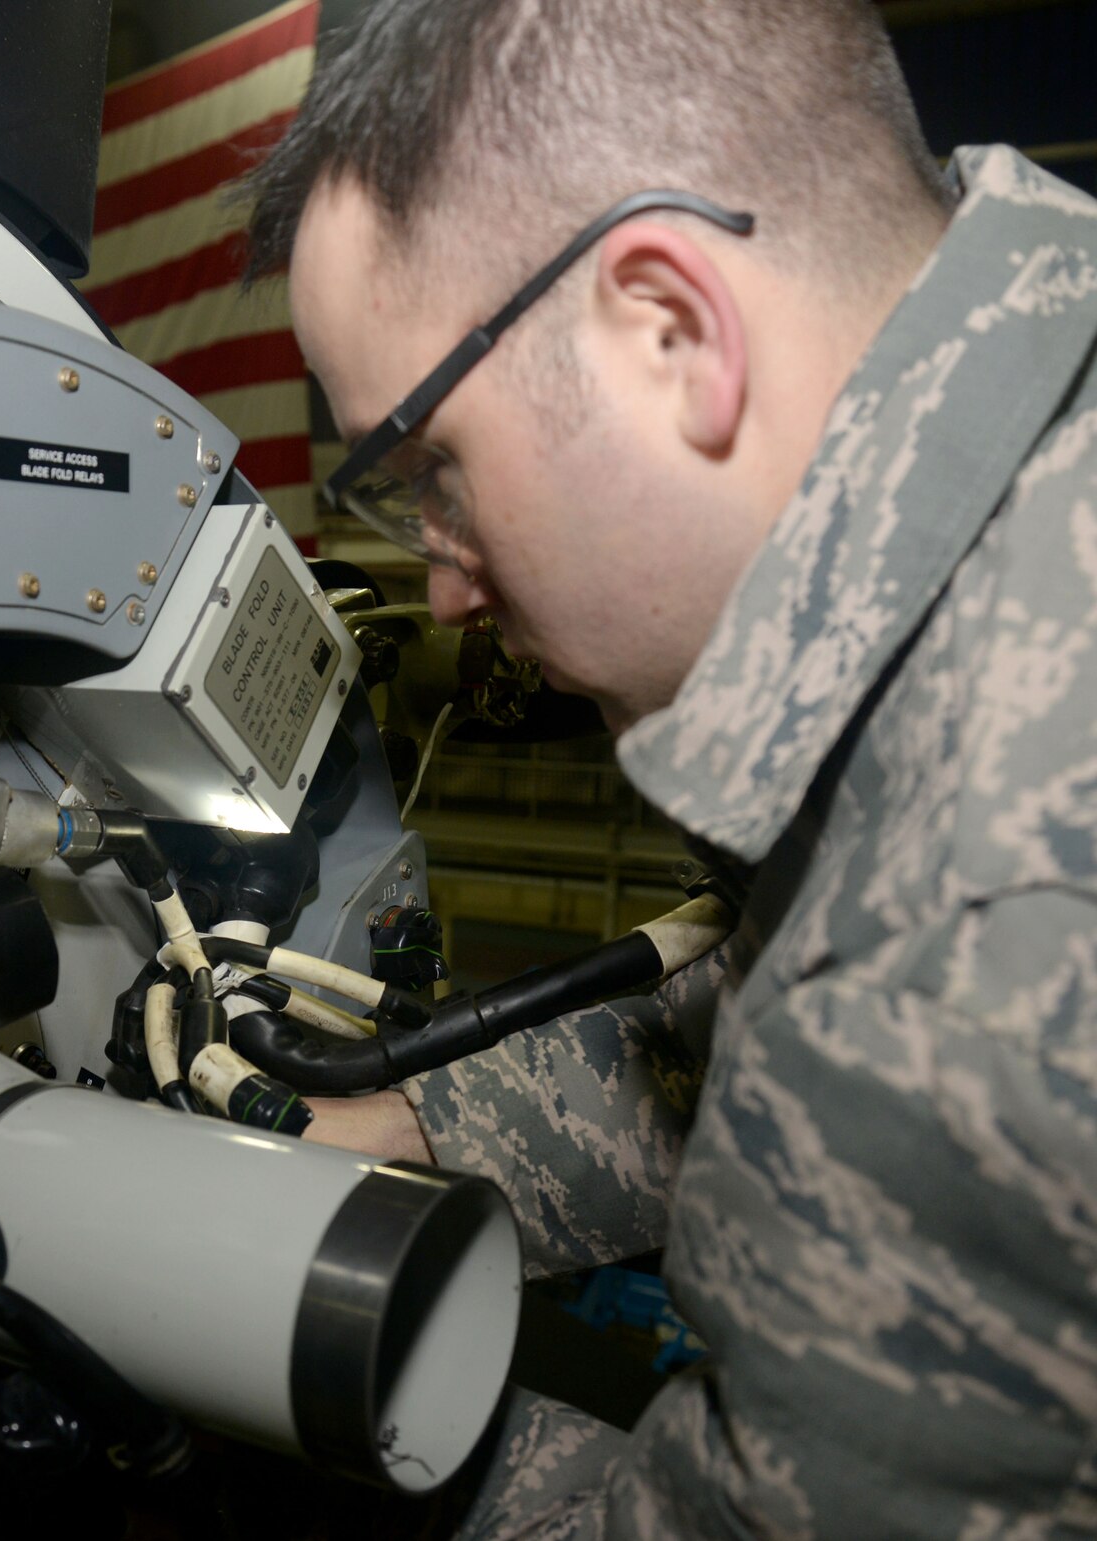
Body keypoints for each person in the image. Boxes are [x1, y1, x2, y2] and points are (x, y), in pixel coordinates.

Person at [244, 0, 1097, 1534]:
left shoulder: (957, 949)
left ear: (669, 333)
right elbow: (780, 1023)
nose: (440, 584)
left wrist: (337, 1392)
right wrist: (413, 1127)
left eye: (431, 465)